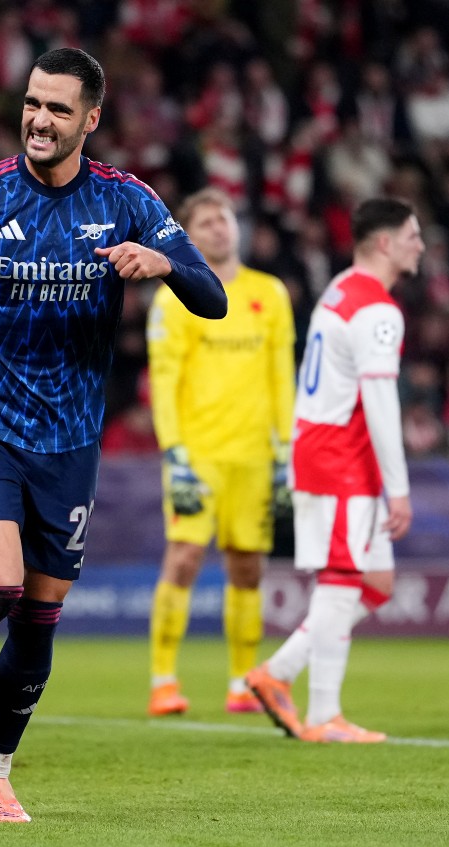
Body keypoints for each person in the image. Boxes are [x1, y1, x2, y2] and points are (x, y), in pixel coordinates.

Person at [0, 48, 227, 822]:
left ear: (90, 120)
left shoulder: (128, 202)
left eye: (59, 109)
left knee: (39, 615)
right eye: (32, 103)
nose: (39, 119)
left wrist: (163, 260)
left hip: (71, 443)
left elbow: (213, 297)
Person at [246, 197, 423, 744]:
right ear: (386, 242)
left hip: (323, 445)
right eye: (413, 235)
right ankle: (325, 715)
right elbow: (379, 402)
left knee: (377, 581)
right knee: (343, 578)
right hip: (342, 456)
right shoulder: (378, 310)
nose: (421, 244)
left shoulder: (341, 288)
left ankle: (276, 673)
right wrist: (399, 488)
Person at [146, 187, 295, 717]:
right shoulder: (174, 298)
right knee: (184, 559)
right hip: (199, 455)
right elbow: (164, 381)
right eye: (205, 221)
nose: (217, 227)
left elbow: (282, 376)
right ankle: (163, 679)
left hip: (255, 456)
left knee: (248, 568)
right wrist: (176, 453)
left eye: (224, 218)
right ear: (189, 234)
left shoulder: (270, 293)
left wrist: (286, 451)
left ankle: (241, 682)